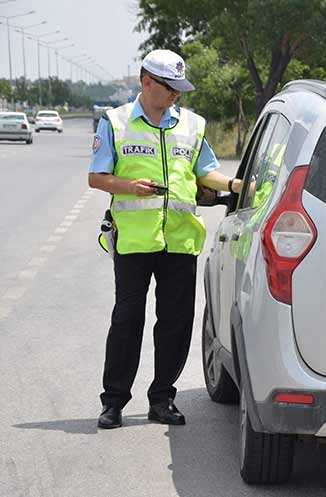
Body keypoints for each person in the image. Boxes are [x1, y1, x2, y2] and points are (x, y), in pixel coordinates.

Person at [88, 49, 242, 429]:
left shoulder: (191, 125)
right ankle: (113, 402)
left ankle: (162, 399)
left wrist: (238, 184)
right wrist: (129, 186)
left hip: (180, 241)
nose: (176, 95)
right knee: (127, 320)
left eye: (179, 88)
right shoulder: (115, 122)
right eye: (169, 87)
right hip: (134, 242)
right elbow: (97, 177)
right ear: (146, 83)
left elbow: (206, 172)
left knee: (175, 321)